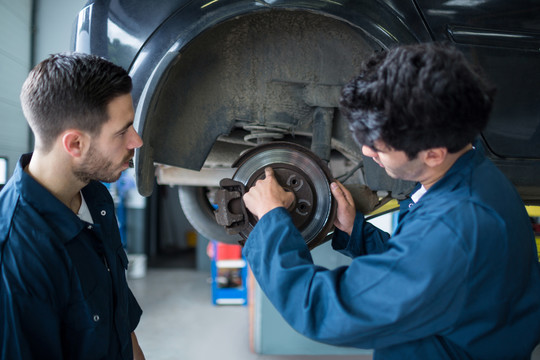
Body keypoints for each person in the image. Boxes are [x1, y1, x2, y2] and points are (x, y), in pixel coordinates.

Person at [242, 42, 540, 359]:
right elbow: (427, 276)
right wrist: (358, 233)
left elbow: (325, 310)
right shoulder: (473, 173)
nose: (368, 153)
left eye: (379, 147)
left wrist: (272, 219)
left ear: (434, 153)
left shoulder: (452, 231)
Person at [0, 53, 145, 359]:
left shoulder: (95, 196)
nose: (137, 141)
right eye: (123, 131)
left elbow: (120, 323)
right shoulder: (18, 255)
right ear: (75, 144)